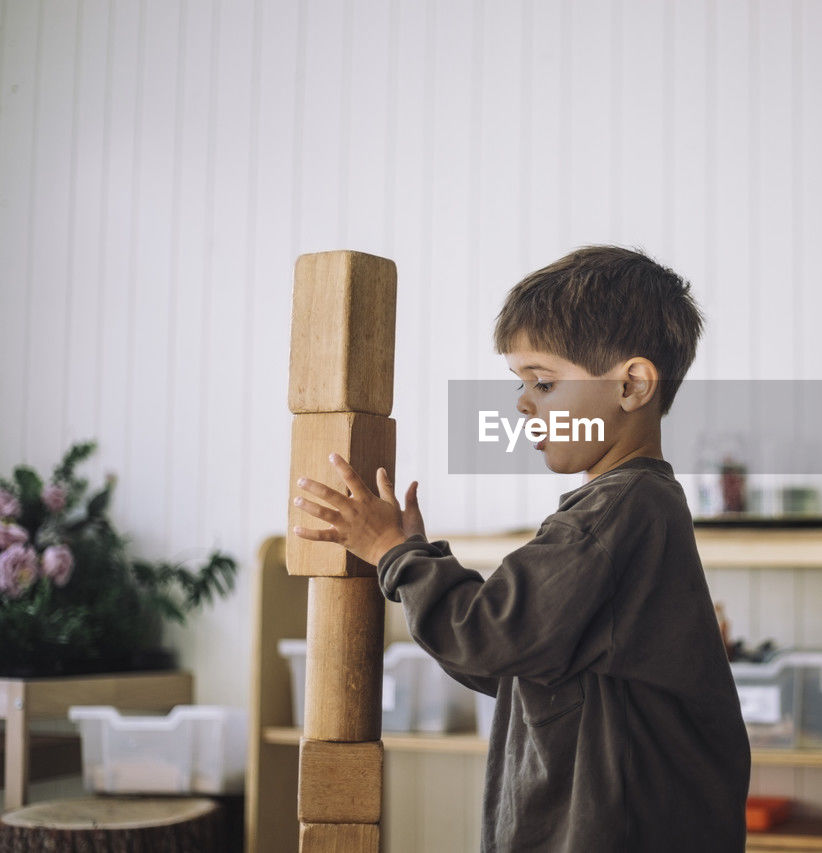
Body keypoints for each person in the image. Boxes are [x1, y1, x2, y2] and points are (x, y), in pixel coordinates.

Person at [292, 245, 751, 851]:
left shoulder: (618, 512)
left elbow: (490, 634)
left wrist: (395, 554)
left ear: (632, 385)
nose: (523, 403)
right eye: (521, 383)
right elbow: (508, 660)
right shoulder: (628, 507)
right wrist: (408, 555)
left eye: (543, 381)